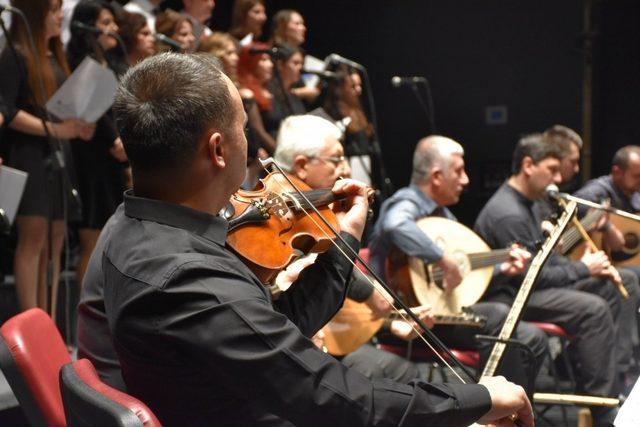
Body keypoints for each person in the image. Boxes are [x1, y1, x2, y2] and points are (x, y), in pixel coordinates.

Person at [80, 52, 533, 426]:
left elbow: (277, 327)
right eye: (242, 128)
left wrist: (347, 236)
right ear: (218, 149)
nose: (257, 151)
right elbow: (339, 400)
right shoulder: (188, 277)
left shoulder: (131, 225)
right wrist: (477, 398)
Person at [365, 135, 547, 391]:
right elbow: (396, 224)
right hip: (405, 318)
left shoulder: (443, 215)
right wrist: (442, 258)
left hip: (441, 312)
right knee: (496, 315)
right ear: (437, 176)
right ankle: (490, 408)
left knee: (534, 339)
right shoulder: (406, 202)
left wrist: (501, 267)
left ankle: (518, 413)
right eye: (459, 171)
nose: (466, 180)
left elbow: (460, 273)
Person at [474, 134, 624, 426]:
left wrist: (584, 265)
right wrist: (583, 268)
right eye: (552, 170)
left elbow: (547, 262)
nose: (559, 178)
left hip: (532, 288)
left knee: (611, 286)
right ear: (528, 165)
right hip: (514, 296)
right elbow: (535, 277)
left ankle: (597, 381)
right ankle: (603, 408)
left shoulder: (531, 203)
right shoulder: (508, 213)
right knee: (592, 309)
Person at [0, 0, 94, 312]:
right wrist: (58, 130)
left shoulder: (54, 56)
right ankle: (32, 318)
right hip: (27, 152)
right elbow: (8, 112)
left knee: (56, 237)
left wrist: (79, 126)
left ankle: (50, 318)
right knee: (34, 235)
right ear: (37, 14)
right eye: (53, 11)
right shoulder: (16, 54)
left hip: (57, 153)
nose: (59, 16)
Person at [67, 0, 129, 287]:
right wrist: (113, 138)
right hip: (91, 156)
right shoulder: (77, 62)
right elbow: (85, 110)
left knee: (113, 237)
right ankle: (84, 311)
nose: (113, 29)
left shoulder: (116, 64)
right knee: (92, 237)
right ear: (88, 26)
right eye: (105, 22)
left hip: (114, 158)